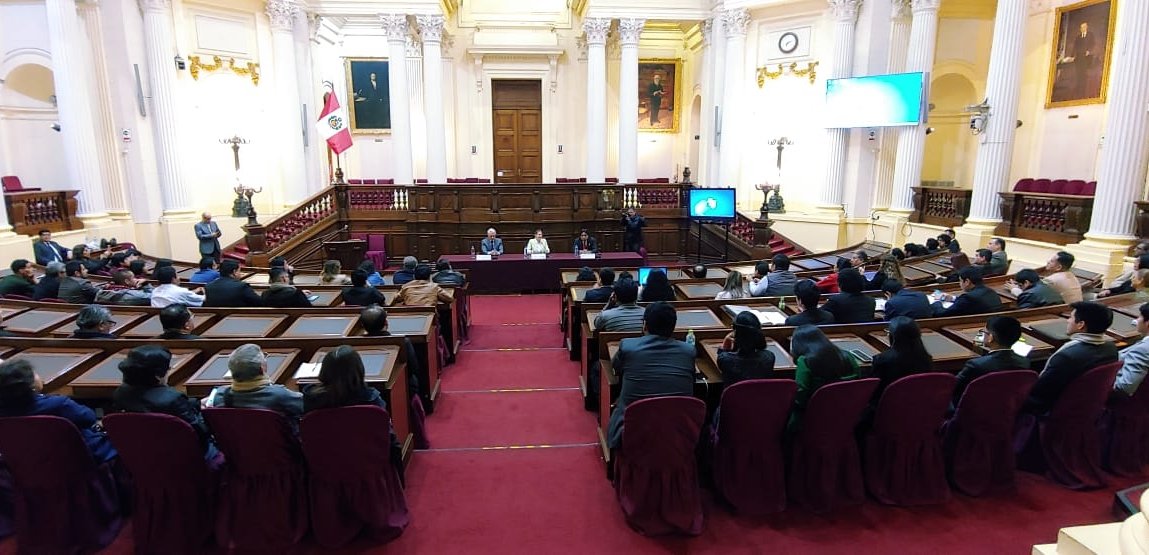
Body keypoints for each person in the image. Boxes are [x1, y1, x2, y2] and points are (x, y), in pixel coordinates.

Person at [606, 302, 696, 449]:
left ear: (645, 325)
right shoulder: (688, 351)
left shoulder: (628, 347)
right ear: (673, 326)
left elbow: (616, 367)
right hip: (676, 432)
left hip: (633, 431)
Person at [302, 345, 403, 472]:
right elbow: (388, 439)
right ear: (359, 370)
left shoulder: (310, 399)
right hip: (368, 467)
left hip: (326, 470)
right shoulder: (372, 400)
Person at [113, 345, 218, 460]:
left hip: (144, 454)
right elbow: (200, 432)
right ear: (158, 375)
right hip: (184, 456)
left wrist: (195, 404)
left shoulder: (120, 393)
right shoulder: (173, 398)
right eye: (168, 368)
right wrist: (205, 410)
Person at [0, 359, 116, 462]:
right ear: (30, 385)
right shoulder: (60, 405)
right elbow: (89, 417)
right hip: (77, 459)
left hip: (27, 462)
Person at [1024, 301, 1118, 415]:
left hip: (1052, 412)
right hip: (1086, 408)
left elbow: (1039, 394)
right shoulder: (1111, 348)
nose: (1068, 321)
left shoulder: (1067, 356)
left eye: (1071, 317)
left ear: (1081, 324)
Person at [208, 344, 304, 428]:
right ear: (262, 369)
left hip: (240, 447)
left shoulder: (220, 396)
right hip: (281, 447)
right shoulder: (280, 395)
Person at [788, 325, 859, 433]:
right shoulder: (847, 356)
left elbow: (800, 395)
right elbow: (858, 381)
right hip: (847, 415)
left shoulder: (805, 361)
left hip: (813, 418)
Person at [952, 316, 1032, 406]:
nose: (981, 335)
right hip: (1007, 410)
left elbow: (952, 387)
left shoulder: (976, 365)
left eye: (984, 332)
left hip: (975, 411)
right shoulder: (1024, 362)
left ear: (990, 338)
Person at [868, 317, 934, 397]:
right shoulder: (927, 358)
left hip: (888, 405)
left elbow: (873, 390)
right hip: (919, 404)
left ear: (893, 336)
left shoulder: (882, 360)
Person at [717, 311, 775, 385]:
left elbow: (723, 355)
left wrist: (726, 341)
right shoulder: (769, 357)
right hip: (761, 396)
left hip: (736, 396)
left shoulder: (725, 360)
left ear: (735, 333)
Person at [931, 266, 1003, 317]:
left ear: (967, 281)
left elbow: (942, 314)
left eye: (960, 281)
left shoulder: (968, 297)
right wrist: (953, 298)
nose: (959, 284)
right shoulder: (991, 291)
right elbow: (970, 304)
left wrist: (937, 302)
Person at [1114, 304, 1149, 397]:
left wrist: (1101, 385)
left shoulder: (1143, 350)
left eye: (1140, 316)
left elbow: (1125, 387)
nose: (1137, 320)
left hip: (1130, 403)